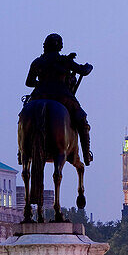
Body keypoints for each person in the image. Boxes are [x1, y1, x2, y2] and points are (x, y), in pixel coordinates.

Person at [23, 33, 94, 163]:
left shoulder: (37, 62)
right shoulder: (64, 60)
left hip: (39, 95)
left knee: (24, 117)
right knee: (81, 120)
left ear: (45, 46)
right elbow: (83, 71)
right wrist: (89, 66)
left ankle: (21, 151)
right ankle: (86, 155)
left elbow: (29, 82)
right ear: (60, 46)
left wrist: (41, 84)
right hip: (62, 97)